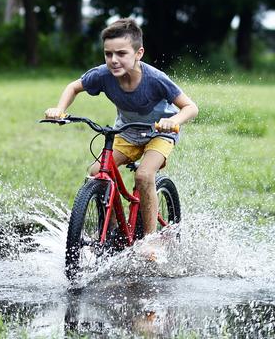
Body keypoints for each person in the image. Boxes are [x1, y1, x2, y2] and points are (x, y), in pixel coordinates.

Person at [45, 17, 198, 237]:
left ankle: (150, 239)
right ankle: (114, 229)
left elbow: (191, 107)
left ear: (139, 53)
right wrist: (59, 109)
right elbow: (73, 87)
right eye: (108, 54)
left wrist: (173, 121)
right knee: (97, 172)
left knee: (144, 176)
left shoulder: (155, 79)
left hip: (159, 133)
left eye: (121, 53)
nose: (114, 60)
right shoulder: (102, 75)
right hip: (126, 132)